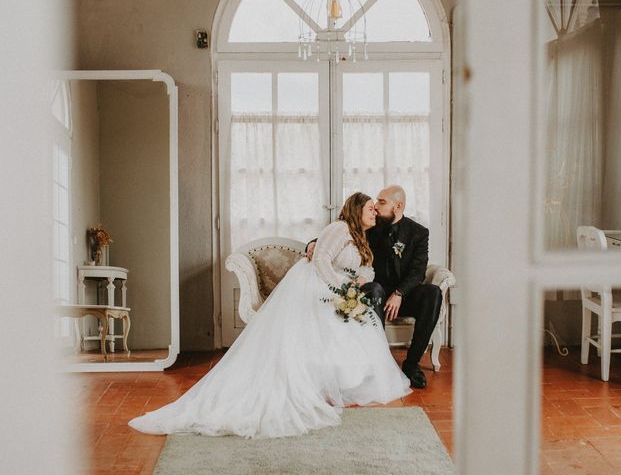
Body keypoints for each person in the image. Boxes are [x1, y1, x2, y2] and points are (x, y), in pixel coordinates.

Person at [129, 192, 410, 438]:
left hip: (339, 291)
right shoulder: (338, 228)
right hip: (318, 287)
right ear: (355, 209)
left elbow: (366, 270)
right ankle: (311, 390)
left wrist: (358, 283)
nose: (374, 211)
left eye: (376, 207)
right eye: (370, 207)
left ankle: (332, 388)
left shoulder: (361, 237)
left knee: (350, 333)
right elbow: (321, 259)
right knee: (323, 335)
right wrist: (340, 290)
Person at [306, 186, 442, 389]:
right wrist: (310, 245)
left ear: (398, 206)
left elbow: (418, 272)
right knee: (375, 289)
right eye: (375, 203)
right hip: (371, 292)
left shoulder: (418, 233)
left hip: (401, 297)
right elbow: (335, 237)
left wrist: (399, 294)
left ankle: (412, 365)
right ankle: (380, 363)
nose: (376, 207)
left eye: (381, 202)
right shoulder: (370, 224)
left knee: (433, 293)